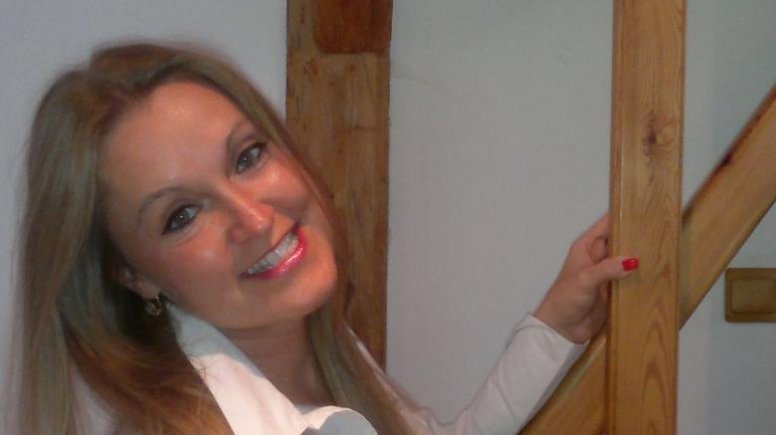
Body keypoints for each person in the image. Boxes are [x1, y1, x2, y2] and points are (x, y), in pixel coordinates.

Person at [12, 42, 638, 434]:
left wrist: (555, 326)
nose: (255, 218)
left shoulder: (315, 350)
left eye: (248, 156)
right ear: (133, 273)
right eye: (182, 215)